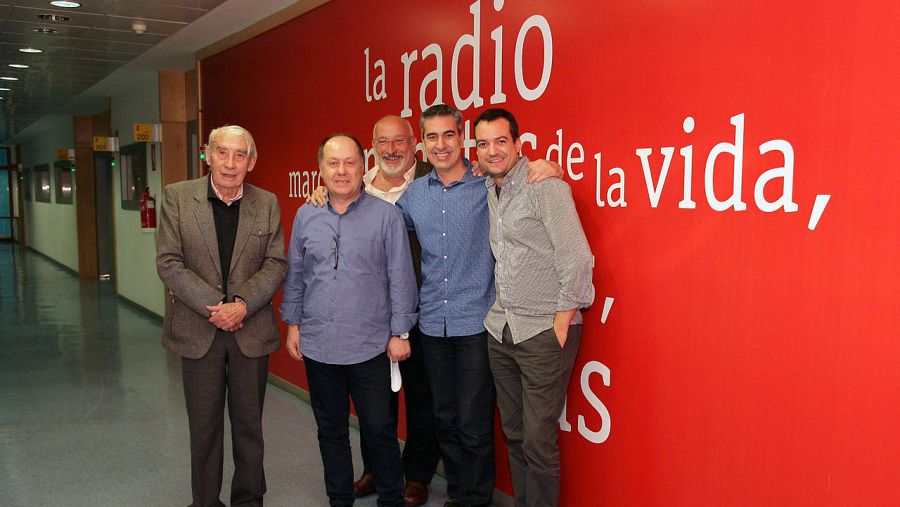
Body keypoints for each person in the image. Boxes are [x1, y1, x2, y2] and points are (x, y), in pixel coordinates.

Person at [280, 133, 418, 507]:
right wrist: (293, 324)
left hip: (371, 347)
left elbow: (401, 277)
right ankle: (339, 499)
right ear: (321, 169)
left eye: (350, 162)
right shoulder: (306, 215)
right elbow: (297, 273)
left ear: (363, 165)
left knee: (380, 431)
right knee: (331, 431)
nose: (342, 171)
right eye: (333, 163)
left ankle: (391, 499)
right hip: (319, 345)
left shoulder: (387, 216)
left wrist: (400, 332)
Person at [156, 125, 287, 507]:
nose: (230, 163)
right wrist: (216, 307)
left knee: (249, 427)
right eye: (222, 153)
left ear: (252, 161)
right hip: (200, 332)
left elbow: (276, 263)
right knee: (204, 428)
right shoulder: (178, 197)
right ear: (207, 155)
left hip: (250, 330)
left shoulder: (267, 202)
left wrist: (242, 304)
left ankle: (249, 500)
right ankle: (205, 501)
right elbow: (169, 262)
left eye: (240, 155)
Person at [475, 108, 594, 507]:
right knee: (515, 434)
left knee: (538, 442)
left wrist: (560, 323)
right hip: (501, 330)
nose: (492, 151)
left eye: (500, 141)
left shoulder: (545, 187)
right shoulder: (489, 188)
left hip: (543, 332)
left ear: (518, 143)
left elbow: (577, 257)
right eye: (483, 144)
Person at [394, 104, 498, 507]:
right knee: (444, 418)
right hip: (432, 324)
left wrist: (547, 167)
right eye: (432, 136)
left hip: (476, 323)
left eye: (448, 134)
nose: (441, 144)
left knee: (473, 424)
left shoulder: (487, 184)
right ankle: (458, 494)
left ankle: (474, 500)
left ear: (462, 137)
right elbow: (379, 229)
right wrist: (328, 196)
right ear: (422, 143)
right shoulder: (414, 195)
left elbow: (525, 183)